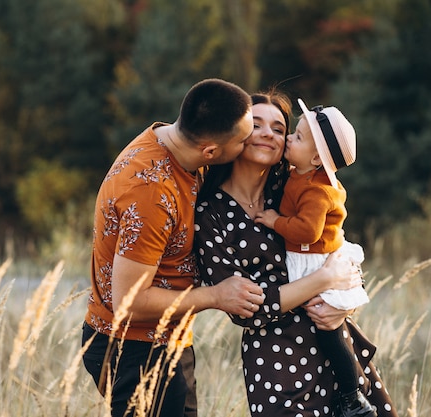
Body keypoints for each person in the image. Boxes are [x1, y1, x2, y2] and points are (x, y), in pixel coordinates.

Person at [194, 91, 398, 417]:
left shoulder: (291, 186)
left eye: (278, 128)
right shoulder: (209, 213)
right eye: (255, 124)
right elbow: (245, 311)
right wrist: (323, 279)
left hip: (335, 347)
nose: (269, 134)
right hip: (277, 360)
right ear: (237, 133)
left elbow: (336, 246)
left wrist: (342, 304)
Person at [82, 78, 266, 417]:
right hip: (135, 350)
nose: (250, 142)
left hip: (160, 340)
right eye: (243, 140)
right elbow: (130, 302)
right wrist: (216, 296)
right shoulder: (151, 192)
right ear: (210, 151)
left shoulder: (172, 140)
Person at [254, 98, 375, 416]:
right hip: (317, 264)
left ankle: (352, 398)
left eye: (296, 136)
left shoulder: (317, 191)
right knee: (327, 327)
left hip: (316, 260)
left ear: (317, 159)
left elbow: (307, 231)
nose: (289, 138)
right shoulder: (297, 173)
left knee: (330, 329)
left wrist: (273, 221)